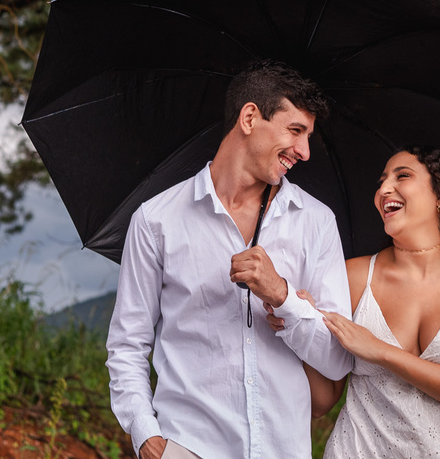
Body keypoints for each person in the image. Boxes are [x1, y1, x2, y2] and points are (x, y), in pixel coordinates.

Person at [106, 59, 354, 459]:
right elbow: (127, 345)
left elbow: (338, 359)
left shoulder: (317, 221)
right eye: (295, 131)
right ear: (250, 117)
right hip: (187, 447)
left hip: (282, 449)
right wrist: (146, 436)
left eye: (308, 136)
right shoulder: (156, 220)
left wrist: (282, 294)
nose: (305, 151)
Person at [272, 145, 440, 458]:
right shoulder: (352, 277)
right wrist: (300, 323)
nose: (383, 189)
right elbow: (322, 401)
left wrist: (381, 352)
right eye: (381, 181)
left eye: (401, 176)